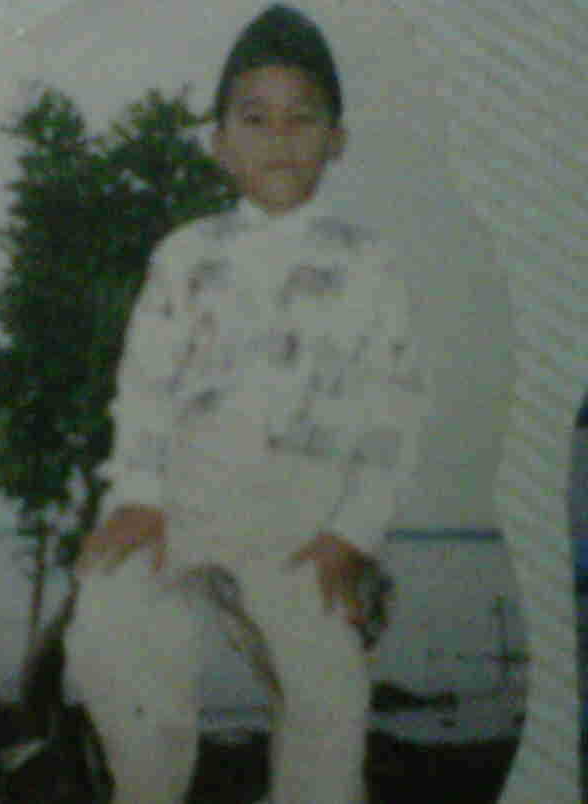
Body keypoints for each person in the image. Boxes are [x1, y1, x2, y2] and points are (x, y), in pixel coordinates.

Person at [62, 5, 432, 803]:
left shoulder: (370, 265)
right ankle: (147, 784)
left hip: (304, 527)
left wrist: (353, 533)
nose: (279, 138)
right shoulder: (185, 255)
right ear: (220, 142)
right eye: (255, 119)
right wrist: (137, 495)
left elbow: (393, 413)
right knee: (106, 629)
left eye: (304, 118)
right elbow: (145, 390)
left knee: (329, 701)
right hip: (185, 507)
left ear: (337, 139)